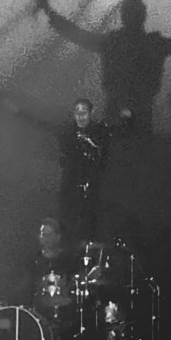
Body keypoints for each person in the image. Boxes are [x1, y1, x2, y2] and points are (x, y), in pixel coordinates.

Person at [35, 0, 171, 137]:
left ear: (123, 16)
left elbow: (77, 34)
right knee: (132, 149)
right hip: (134, 110)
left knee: (118, 148)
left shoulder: (114, 43)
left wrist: (49, 11)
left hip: (123, 109)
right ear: (143, 15)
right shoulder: (151, 44)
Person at [58, 99, 109, 243]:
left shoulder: (100, 132)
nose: (80, 116)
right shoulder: (68, 133)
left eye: (84, 112)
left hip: (94, 188)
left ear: (91, 113)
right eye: (77, 112)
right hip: (72, 188)